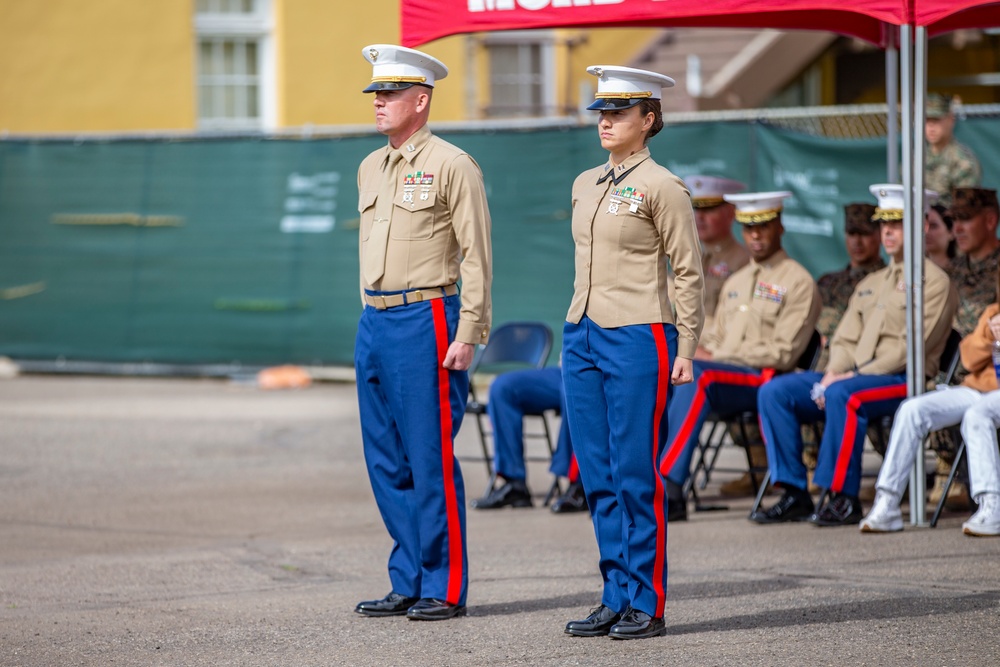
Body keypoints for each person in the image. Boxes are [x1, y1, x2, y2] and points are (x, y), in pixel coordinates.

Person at [561, 65, 704, 640]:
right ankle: (613, 593)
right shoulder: (585, 182)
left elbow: (689, 272)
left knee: (634, 473)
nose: (606, 121)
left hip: (640, 333)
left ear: (648, 120)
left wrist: (687, 345)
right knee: (596, 473)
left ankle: (646, 600)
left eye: (619, 112)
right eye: (602, 112)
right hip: (583, 332)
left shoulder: (664, 186)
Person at [353, 44, 492, 622]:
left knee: (428, 458)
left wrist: (470, 330)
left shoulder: (453, 164)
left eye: (390, 94)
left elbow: (477, 255)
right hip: (375, 319)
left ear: (421, 99)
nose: (379, 103)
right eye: (376, 94)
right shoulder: (369, 167)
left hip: (427, 318)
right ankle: (406, 576)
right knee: (385, 460)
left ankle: (444, 584)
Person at [752, 184, 958, 527]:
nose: (888, 231)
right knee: (776, 392)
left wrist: (852, 376)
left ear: (921, 226)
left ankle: (843, 497)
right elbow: (845, 338)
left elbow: (911, 348)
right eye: (884, 223)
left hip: (902, 379)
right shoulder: (872, 281)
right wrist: (835, 370)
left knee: (843, 395)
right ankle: (793, 491)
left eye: (898, 222)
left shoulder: (934, 282)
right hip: (852, 377)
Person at [659, 191, 821, 506]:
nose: (756, 235)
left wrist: (715, 357)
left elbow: (784, 352)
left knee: (700, 376)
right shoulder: (738, 281)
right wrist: (698, 351)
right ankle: (638, 477)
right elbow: (717, 335)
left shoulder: (799, 281)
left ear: (780, 227)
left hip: (765, 378)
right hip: (725, 374)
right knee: (663, 370)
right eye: (749, 228)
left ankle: (669, 485)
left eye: (764, 226)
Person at [860, 273, 999, 533]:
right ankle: (887, 502)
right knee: (912, 409)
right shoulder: (994, 311)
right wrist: (988, 337)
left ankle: (992, 505)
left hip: (992, 399)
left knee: (977, 415)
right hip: (977, 387)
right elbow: (967, 360)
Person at [928, 187, 1000, 510]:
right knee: (922, 391)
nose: (957, 229)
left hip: (990, 374)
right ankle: (951, 469)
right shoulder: (949, 274)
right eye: (954, 220)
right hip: (955, 369)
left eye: (965, 220)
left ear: (990, 220)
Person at [470, 366, 586, 514]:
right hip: (564, 368)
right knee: (502, 387)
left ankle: (580, 486)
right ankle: (514, 484)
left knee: (573, 387)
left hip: (595, 368)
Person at [683, 175, 750, 338]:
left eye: (708, 209)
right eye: (696, 208)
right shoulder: (691, 257)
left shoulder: (744, 262)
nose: (699, 216)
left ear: (730, 213)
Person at [924, 93, 981, 209]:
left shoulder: (963, 161)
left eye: (936, 119)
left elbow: (964, 209)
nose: (931, 126)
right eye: (926, 120)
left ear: (951, 120)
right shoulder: (915, 158)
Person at [925, 203, 956, 270]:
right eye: (924, 226)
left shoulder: (962, 272)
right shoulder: (916, 272)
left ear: (951, 232)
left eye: (933, 226)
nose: (926, 232)